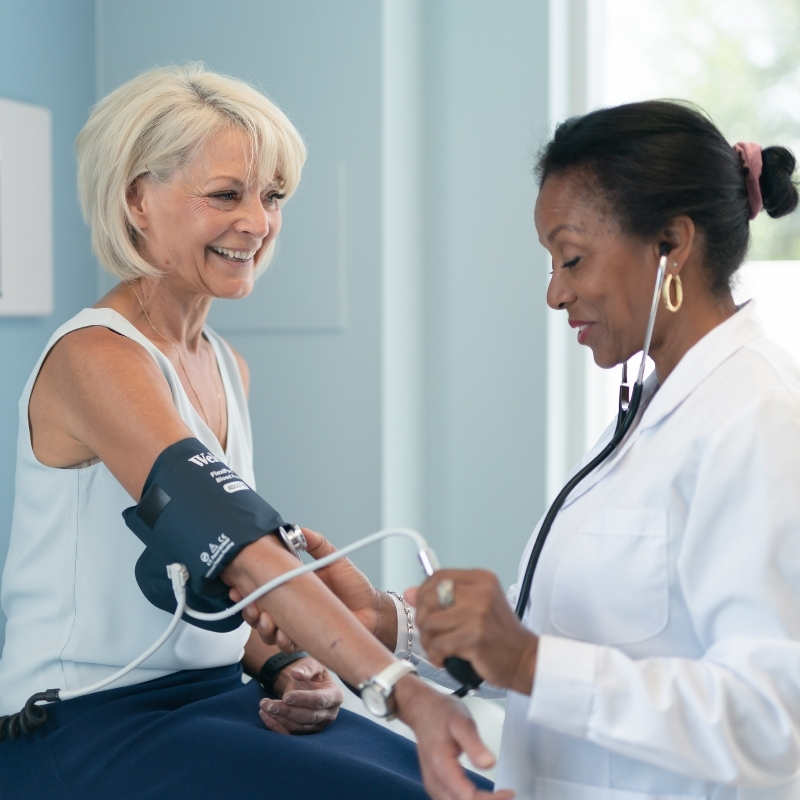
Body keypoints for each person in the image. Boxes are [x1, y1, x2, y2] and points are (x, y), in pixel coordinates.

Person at [251, 100, 800, 799]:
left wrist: (532, 662)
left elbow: (773, 719)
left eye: (571, 258)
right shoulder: (652, 412)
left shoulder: (760, 420)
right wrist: (400, 625)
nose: (555, 292)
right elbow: (571, 635)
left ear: (672, 243)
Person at [0, 64, 502, 800]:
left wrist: (282, 666)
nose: (259, 223)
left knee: (468, 790)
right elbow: (237, 549)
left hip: (207, 701)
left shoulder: (226, 366)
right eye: (226, 195)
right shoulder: (96, 359)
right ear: (138, 199)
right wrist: (396, 686)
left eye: (272, 197)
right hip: (79, 726)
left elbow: (205, 601)